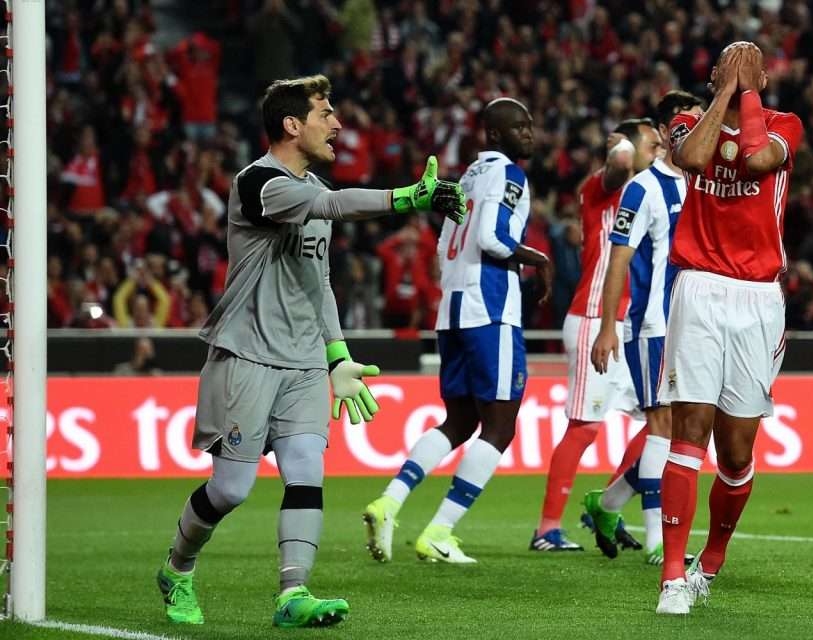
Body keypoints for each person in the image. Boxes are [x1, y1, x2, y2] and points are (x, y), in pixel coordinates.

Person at [155, 74, 465, 628]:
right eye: (326, 113)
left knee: (306, 474)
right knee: (231, 489)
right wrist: (408, 198)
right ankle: (178, 568)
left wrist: (338, 356)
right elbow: (339, 204)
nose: (337, 123)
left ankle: (293, 595)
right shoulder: (260, 184)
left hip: (300, 364)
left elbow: (317, 281)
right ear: (292, 125)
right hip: (247, 354)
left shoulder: (311, 187)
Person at [362, 97, 552, 565]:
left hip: (453, 308)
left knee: (461, 421)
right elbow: (491, 238)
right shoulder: (509, 173)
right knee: (501, 425)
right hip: (490, 308)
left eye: (530, 125)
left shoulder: (465, 178)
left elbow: (446, 246)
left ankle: (389, 501)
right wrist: (537, 259)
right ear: (493, 134)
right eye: (519, 126)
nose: (529, 133)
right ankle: (440, 531)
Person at [650, 42, 803, 615]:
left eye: (750, 65)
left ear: (764, 77)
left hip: (758, 299)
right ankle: (671, 577)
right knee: (688, 427)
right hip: (700, 289)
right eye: (727, 64)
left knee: (736, 453)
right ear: (712, 74)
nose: (738, 71)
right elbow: (692, 160)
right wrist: (723, 95)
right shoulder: (691, 120)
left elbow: (761, 161)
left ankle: (708, 561)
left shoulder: (786, 125)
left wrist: (749, 93)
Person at [529, 116, 662, 553]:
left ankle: (603, 505)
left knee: (659, 422)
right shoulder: (601, 189)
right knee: (584, 428)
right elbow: (620, 164)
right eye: (652, 146)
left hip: (635, 324)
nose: (659, 153)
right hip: (594, 320)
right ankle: (547, 528)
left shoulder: (653, 196)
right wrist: (622, 147)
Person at [585, 94, 702, 564]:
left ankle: (607, 503)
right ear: (671, 135)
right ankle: (658, 540)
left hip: (696, 321)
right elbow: (620, 259)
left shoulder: (703, 184)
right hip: (654, 324)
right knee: (663, 425)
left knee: (683, 430)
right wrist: (609, 326)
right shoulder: (643, 189)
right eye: (688, 129)